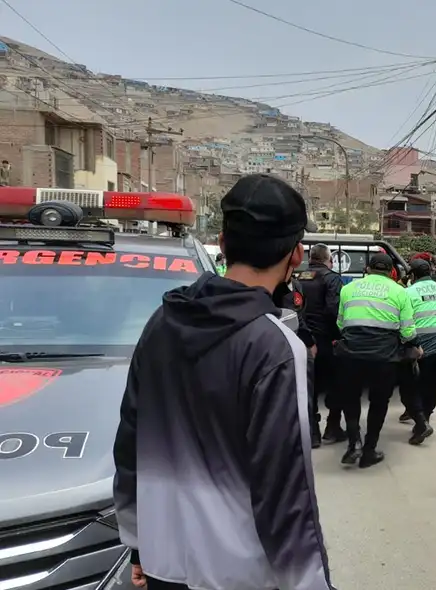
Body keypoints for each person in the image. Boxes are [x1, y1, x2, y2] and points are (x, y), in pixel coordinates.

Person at [112, 173, 332, 590]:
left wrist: (138, 543)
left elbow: (130, 444)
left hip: (163, 562)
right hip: (239, 574)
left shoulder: (162, 322)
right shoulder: (274, 346)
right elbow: (285, 489)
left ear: (223, 242)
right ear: (296, 255)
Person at [334, 252, 417, 468]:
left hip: (351, 355)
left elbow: (341, 324)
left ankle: (354, 443)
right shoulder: (400, 292)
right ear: (391, 272)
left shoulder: (348, 288)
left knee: (350, 399)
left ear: (367, 269)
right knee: (379, 403)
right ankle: (369, 450)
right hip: (384, 358)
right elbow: (408, 332)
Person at [397, 258, 436, 444]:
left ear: (412, 274)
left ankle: (421, 422)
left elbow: (404, 323)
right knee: (431, 386)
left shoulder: (408, 292)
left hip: (420, 347)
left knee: (409, 387)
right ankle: (424, 419)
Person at [298, 244, 347, 445]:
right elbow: (333, 310)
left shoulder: (298, 278)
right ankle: (332, 426)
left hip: (303, 339)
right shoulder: (332, 278)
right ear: (329, 260)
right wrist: (339, 336)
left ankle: (313, 432)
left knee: (309, 387)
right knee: (338, 383)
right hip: (326, 339)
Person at [276, 274, 320, 447]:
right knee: (304, 392)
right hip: (290, 343)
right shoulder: (284, 285)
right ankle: (309, 434)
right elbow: (293, 316)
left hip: (286, 342)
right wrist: (309, 342)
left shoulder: (293, 284)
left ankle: (311, 433)